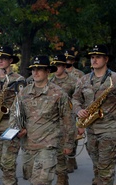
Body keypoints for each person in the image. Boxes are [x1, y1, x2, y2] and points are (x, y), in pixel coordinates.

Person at [10, 55, 74, 185]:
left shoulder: (58, 93)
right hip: (28, 146)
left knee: (41, 182)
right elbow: (14, 113)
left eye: (40, 69)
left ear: (48, 71)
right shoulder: (24, 92)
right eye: (33, 69)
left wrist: (69, 143)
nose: (35, 72)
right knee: (31, 179)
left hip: (48, 146)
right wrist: (17, 129)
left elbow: (68, 119)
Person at [72, 44, 116, 185]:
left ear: (106, 59)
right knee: (97, 167)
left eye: (98, 57)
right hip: (91, 130)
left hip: (109, 129)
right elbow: (75, 99)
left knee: (105, 168)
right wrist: (78, 110)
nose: (94, 60)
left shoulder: (114, 79)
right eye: (92, 57)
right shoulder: (84, 79)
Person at [0, 46, 25, 185]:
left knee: (8, 161)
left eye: (4, 58)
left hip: (11, 124)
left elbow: (22, 103)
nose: (0, 61)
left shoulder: (18, 79)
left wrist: (21, 125)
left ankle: (9, 182)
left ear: (10, 60)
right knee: (1, 161)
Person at [50, 54, 78, 185]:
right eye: (54, 65)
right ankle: (62, 176)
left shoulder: (73, 81)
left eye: (59, 65)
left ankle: (62, 177)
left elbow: (79, 100)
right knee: (55, 150)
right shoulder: (50, 81)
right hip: (53, 121)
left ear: (64, 66)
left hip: (67, 120)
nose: (56, 68)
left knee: (64, 149)